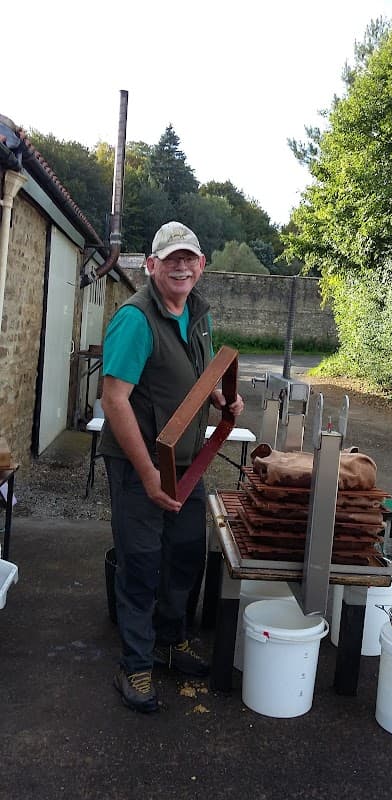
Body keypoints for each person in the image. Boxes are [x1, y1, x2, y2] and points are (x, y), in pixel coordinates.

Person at [99, 221, 244, 713]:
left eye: (191, 259)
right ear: (152, 266)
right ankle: (135, 665)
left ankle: (170, 639)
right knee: (141, 562)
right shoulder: (135, 319)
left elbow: (200, 377)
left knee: (184, 554)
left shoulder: (198, 314)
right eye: (171, 259)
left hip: (187, 464)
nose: (182, 267)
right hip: (139, 466)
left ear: (201, 266)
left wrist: (227, 399)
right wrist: (147, 475)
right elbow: (114, 400)